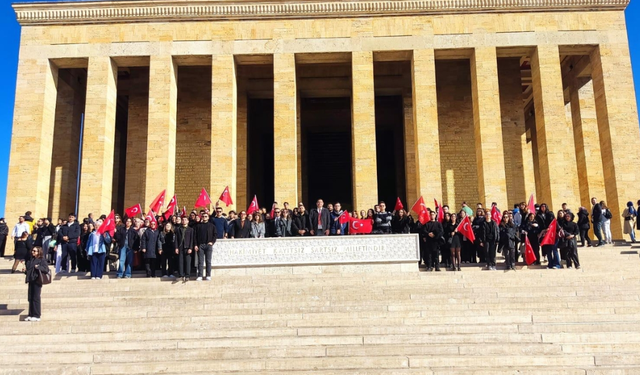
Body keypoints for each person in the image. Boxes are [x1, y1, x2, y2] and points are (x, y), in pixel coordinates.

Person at [25, 247, 49, 322]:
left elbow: (46, 269)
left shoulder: (42, 260)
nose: (33, 252)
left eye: (35, 251)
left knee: (36, 297)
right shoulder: (31, 259)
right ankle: (30, 314)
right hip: (31, 280)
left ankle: (36, 315)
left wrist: (38, 267)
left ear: (39, 252)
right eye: (32, 250)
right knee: (30, 297)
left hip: (37, 280)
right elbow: (29, 268)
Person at [194, 213, 217, 281]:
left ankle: (208, 275)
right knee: (200, 261)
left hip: (208, 245)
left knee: (208, 261)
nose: (204, 217)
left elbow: (215, 235)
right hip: (200, 245)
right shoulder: (198, 226)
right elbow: (195, 236)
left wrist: (212, 242)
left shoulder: (212, 226)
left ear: (208, 217)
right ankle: (200, 275)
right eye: (203, 216)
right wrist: (195, 245)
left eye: (206, 216)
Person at [174, 216, 194, 281]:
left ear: (188, 221)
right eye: (183, 220)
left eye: (185, 220)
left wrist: (190, 248)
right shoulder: (178, 229)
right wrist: (176, 247)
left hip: (187, 247)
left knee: (187, 262)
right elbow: (176, 239)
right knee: (180, 261)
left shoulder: (191, 229)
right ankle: (181, 275)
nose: (184, 221)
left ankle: (187, 275)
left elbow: (192, 239)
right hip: (180, 247)